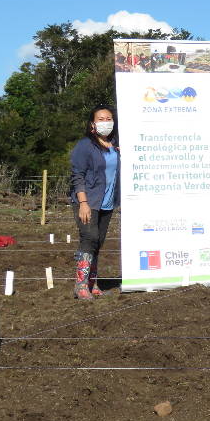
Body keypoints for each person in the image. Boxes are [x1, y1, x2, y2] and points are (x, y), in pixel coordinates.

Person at [69, 105, 120, 300]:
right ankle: (81, 285)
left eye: (108, 118)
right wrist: (83, 203)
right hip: (88, 201)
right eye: (101, 118)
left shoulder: (114, 145)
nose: (105, 122)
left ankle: (93, 283)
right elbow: (77, 175)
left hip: (107, 202)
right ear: (92, 123)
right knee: (89, 238)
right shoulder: (85, 145)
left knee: (98, 242)